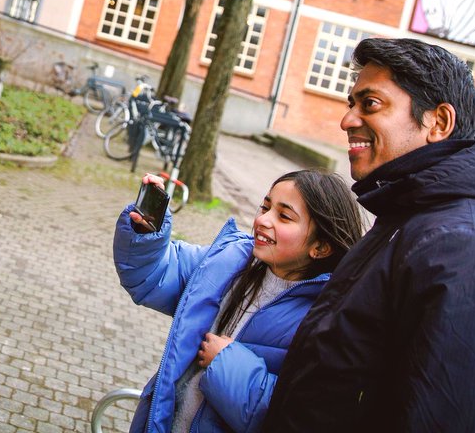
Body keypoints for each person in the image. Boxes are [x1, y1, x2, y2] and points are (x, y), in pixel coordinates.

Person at [263, 37, 475, 432]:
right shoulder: (414, 215)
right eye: (350, 103)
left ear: (438, 123)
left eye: (370, 104)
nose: (347, 120)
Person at [114, 170, 366, 433]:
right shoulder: (228, 259)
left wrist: (226, 363)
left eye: (284, 216)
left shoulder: (325, 321)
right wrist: (145, 236)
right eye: (266, 206)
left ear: (321, 247)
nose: (263, 220)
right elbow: (151, 277)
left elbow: (296, 414)